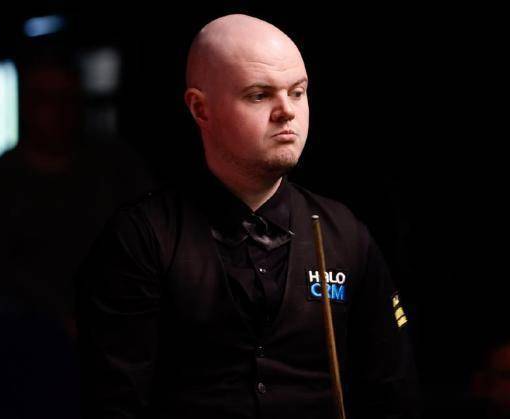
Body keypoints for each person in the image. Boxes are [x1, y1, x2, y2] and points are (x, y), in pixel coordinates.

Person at [76, 14, 419, 419]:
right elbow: (115, 404)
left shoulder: (344, 233)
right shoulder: (144, 236)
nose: (287, 111)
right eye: (259, 95)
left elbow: (392, 391)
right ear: (201, 109)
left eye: (297, 92)